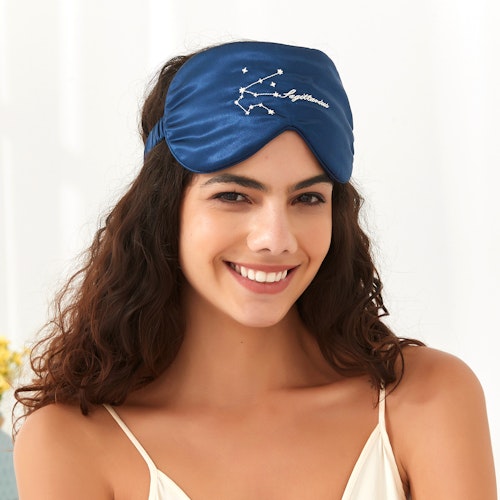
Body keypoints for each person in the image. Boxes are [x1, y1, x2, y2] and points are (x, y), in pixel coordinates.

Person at [13, 41, 496, 499]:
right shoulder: (71, 442)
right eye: (233, 196)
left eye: (308, 198)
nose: (276, 238)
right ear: (164, 209)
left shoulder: (427, 400)